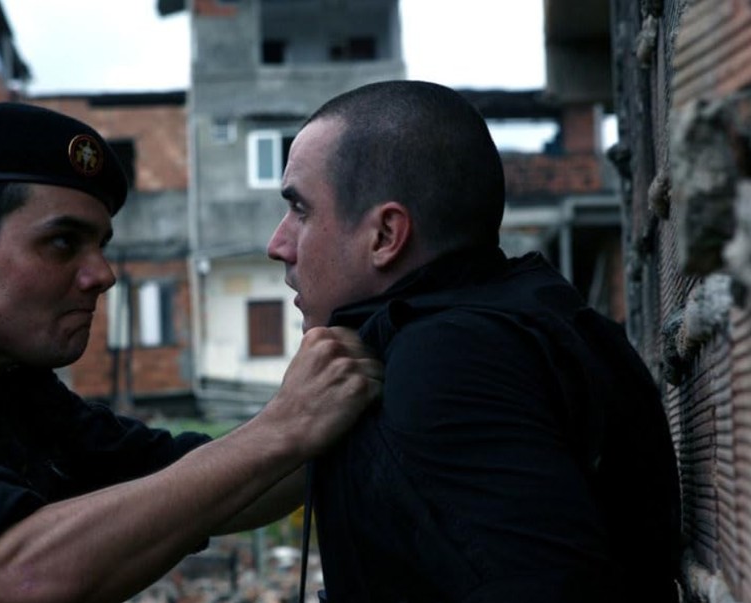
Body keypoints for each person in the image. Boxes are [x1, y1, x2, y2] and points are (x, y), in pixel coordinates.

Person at [0, 102, 384, 603]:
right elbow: (18, 578)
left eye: (100, 244)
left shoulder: (9, 391)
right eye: (63, 243)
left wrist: (386, 371)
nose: (102, 274)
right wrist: (284, 426)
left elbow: (197, 485)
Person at [266, 80, 681, 603]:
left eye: (300, 210)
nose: (277, 244)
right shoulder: (527, 320)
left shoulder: (448, 361)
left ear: (385, 235)